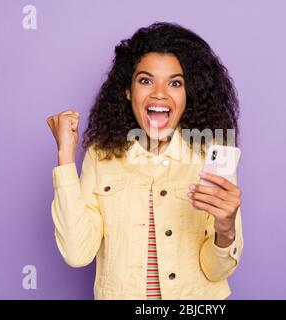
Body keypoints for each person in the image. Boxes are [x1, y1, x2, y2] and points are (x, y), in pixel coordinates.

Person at [46, 22, 243, 300]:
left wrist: (226, 230)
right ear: (128, 91)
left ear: (188, 96)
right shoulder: (100, 156)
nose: (160, 93)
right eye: (146, 80)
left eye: (175, 83)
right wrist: (65, 157)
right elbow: (77, 254)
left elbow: (215, 272)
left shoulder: (210, 157)